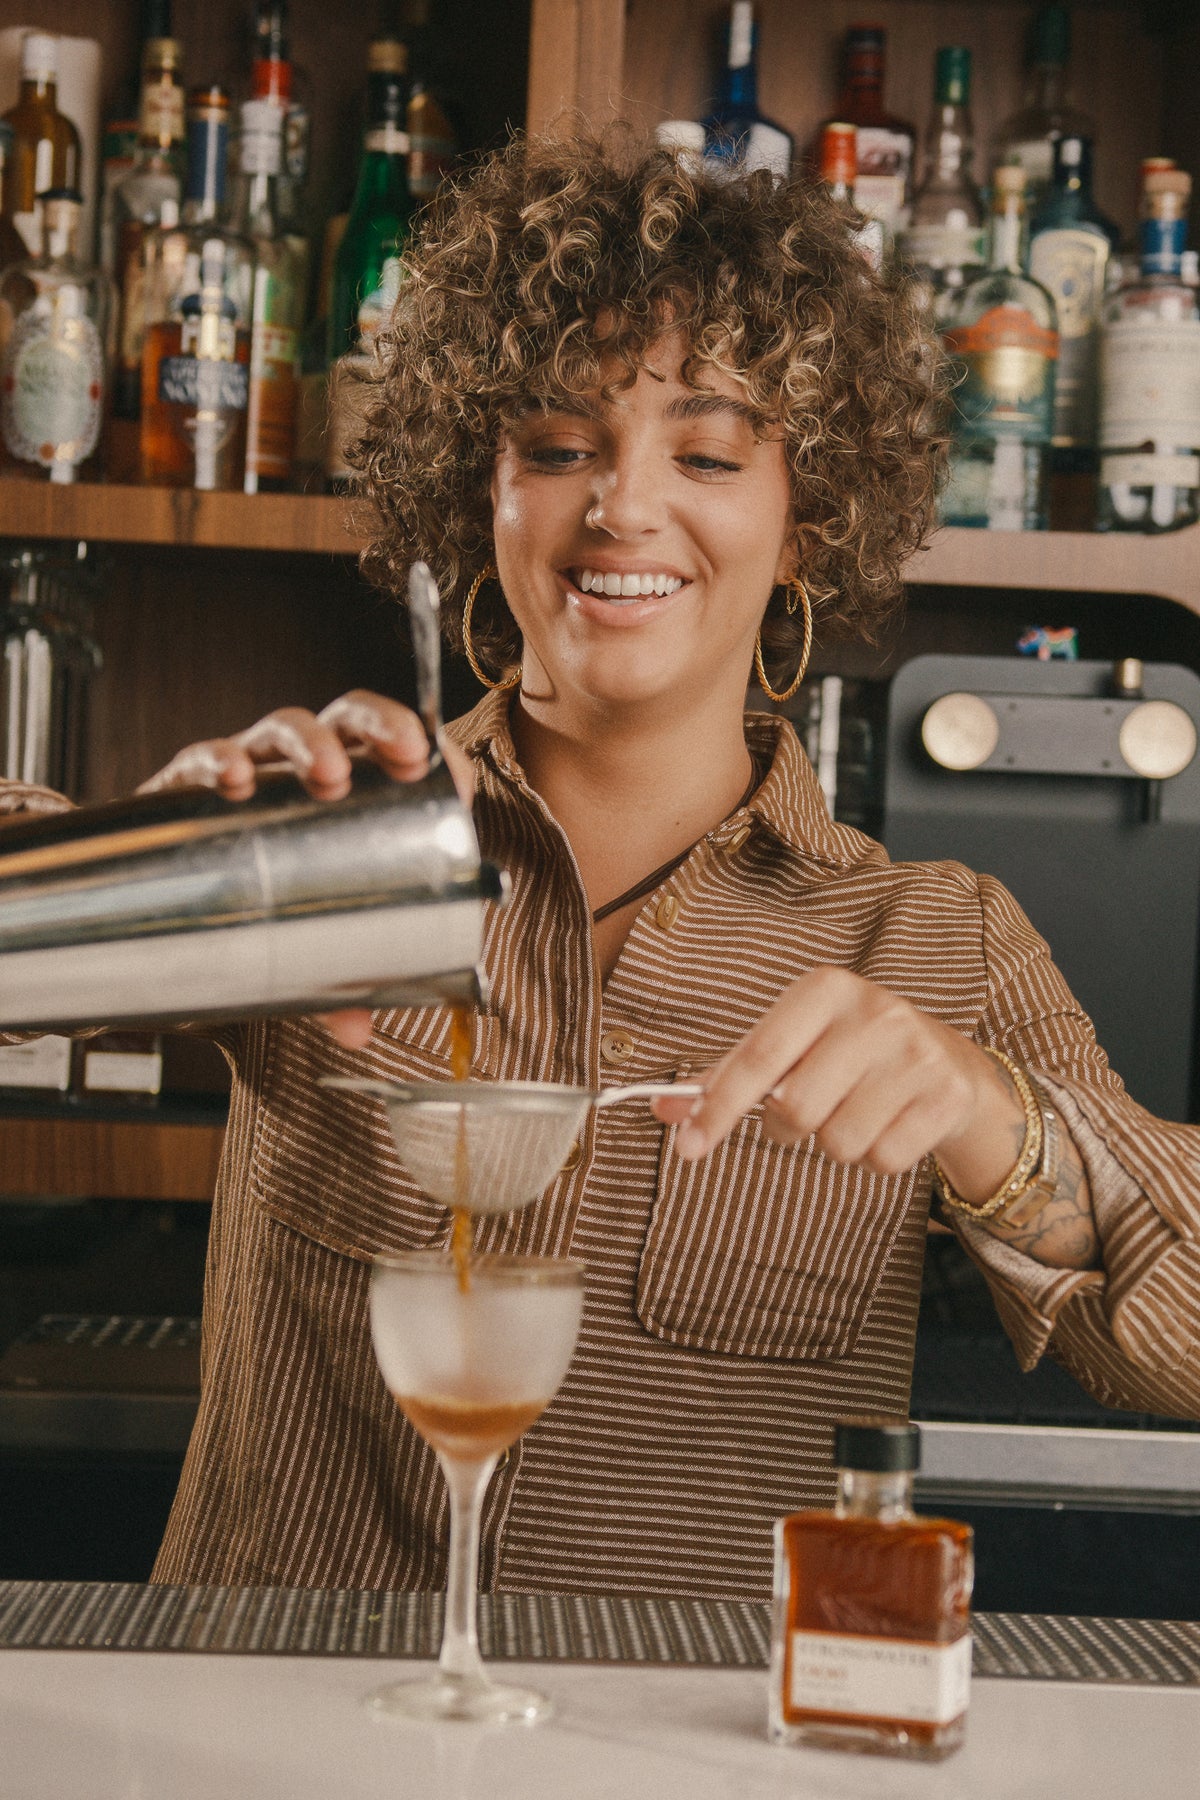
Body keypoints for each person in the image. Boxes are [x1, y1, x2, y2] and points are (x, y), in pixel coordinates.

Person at [10, 135, 1200, 1596]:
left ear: (804, 514)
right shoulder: (336, 843)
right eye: (559, 448)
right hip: (276, 1728)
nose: (624, 509)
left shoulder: (928, 941)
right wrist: (141, 870)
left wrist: (994, 1126)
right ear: (480, 494)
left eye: (706, 454)